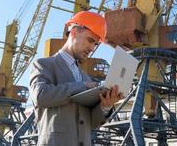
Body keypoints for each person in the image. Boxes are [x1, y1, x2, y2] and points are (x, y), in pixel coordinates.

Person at [29, 11, 123, 146]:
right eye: (90, 40)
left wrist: (105, 106)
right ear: (73, 32)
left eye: (95, 44)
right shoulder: (43, 64)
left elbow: (90, 123)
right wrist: (82, 86)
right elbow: (40, 95)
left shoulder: (85, 77)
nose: (92, 48)